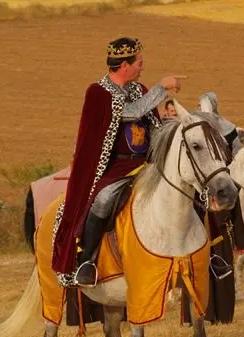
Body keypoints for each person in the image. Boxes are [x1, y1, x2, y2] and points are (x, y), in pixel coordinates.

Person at [51, 37, 183, 288]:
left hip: (147, 165)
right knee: (102, 201)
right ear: (125, 65)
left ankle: (200, 254)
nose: (142, 67)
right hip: (114, 169)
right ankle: (87, 261)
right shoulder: (98, 92)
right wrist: (161, 88)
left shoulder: (138, 89)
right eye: (139, 63)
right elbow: (130, 112)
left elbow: (152, 125)